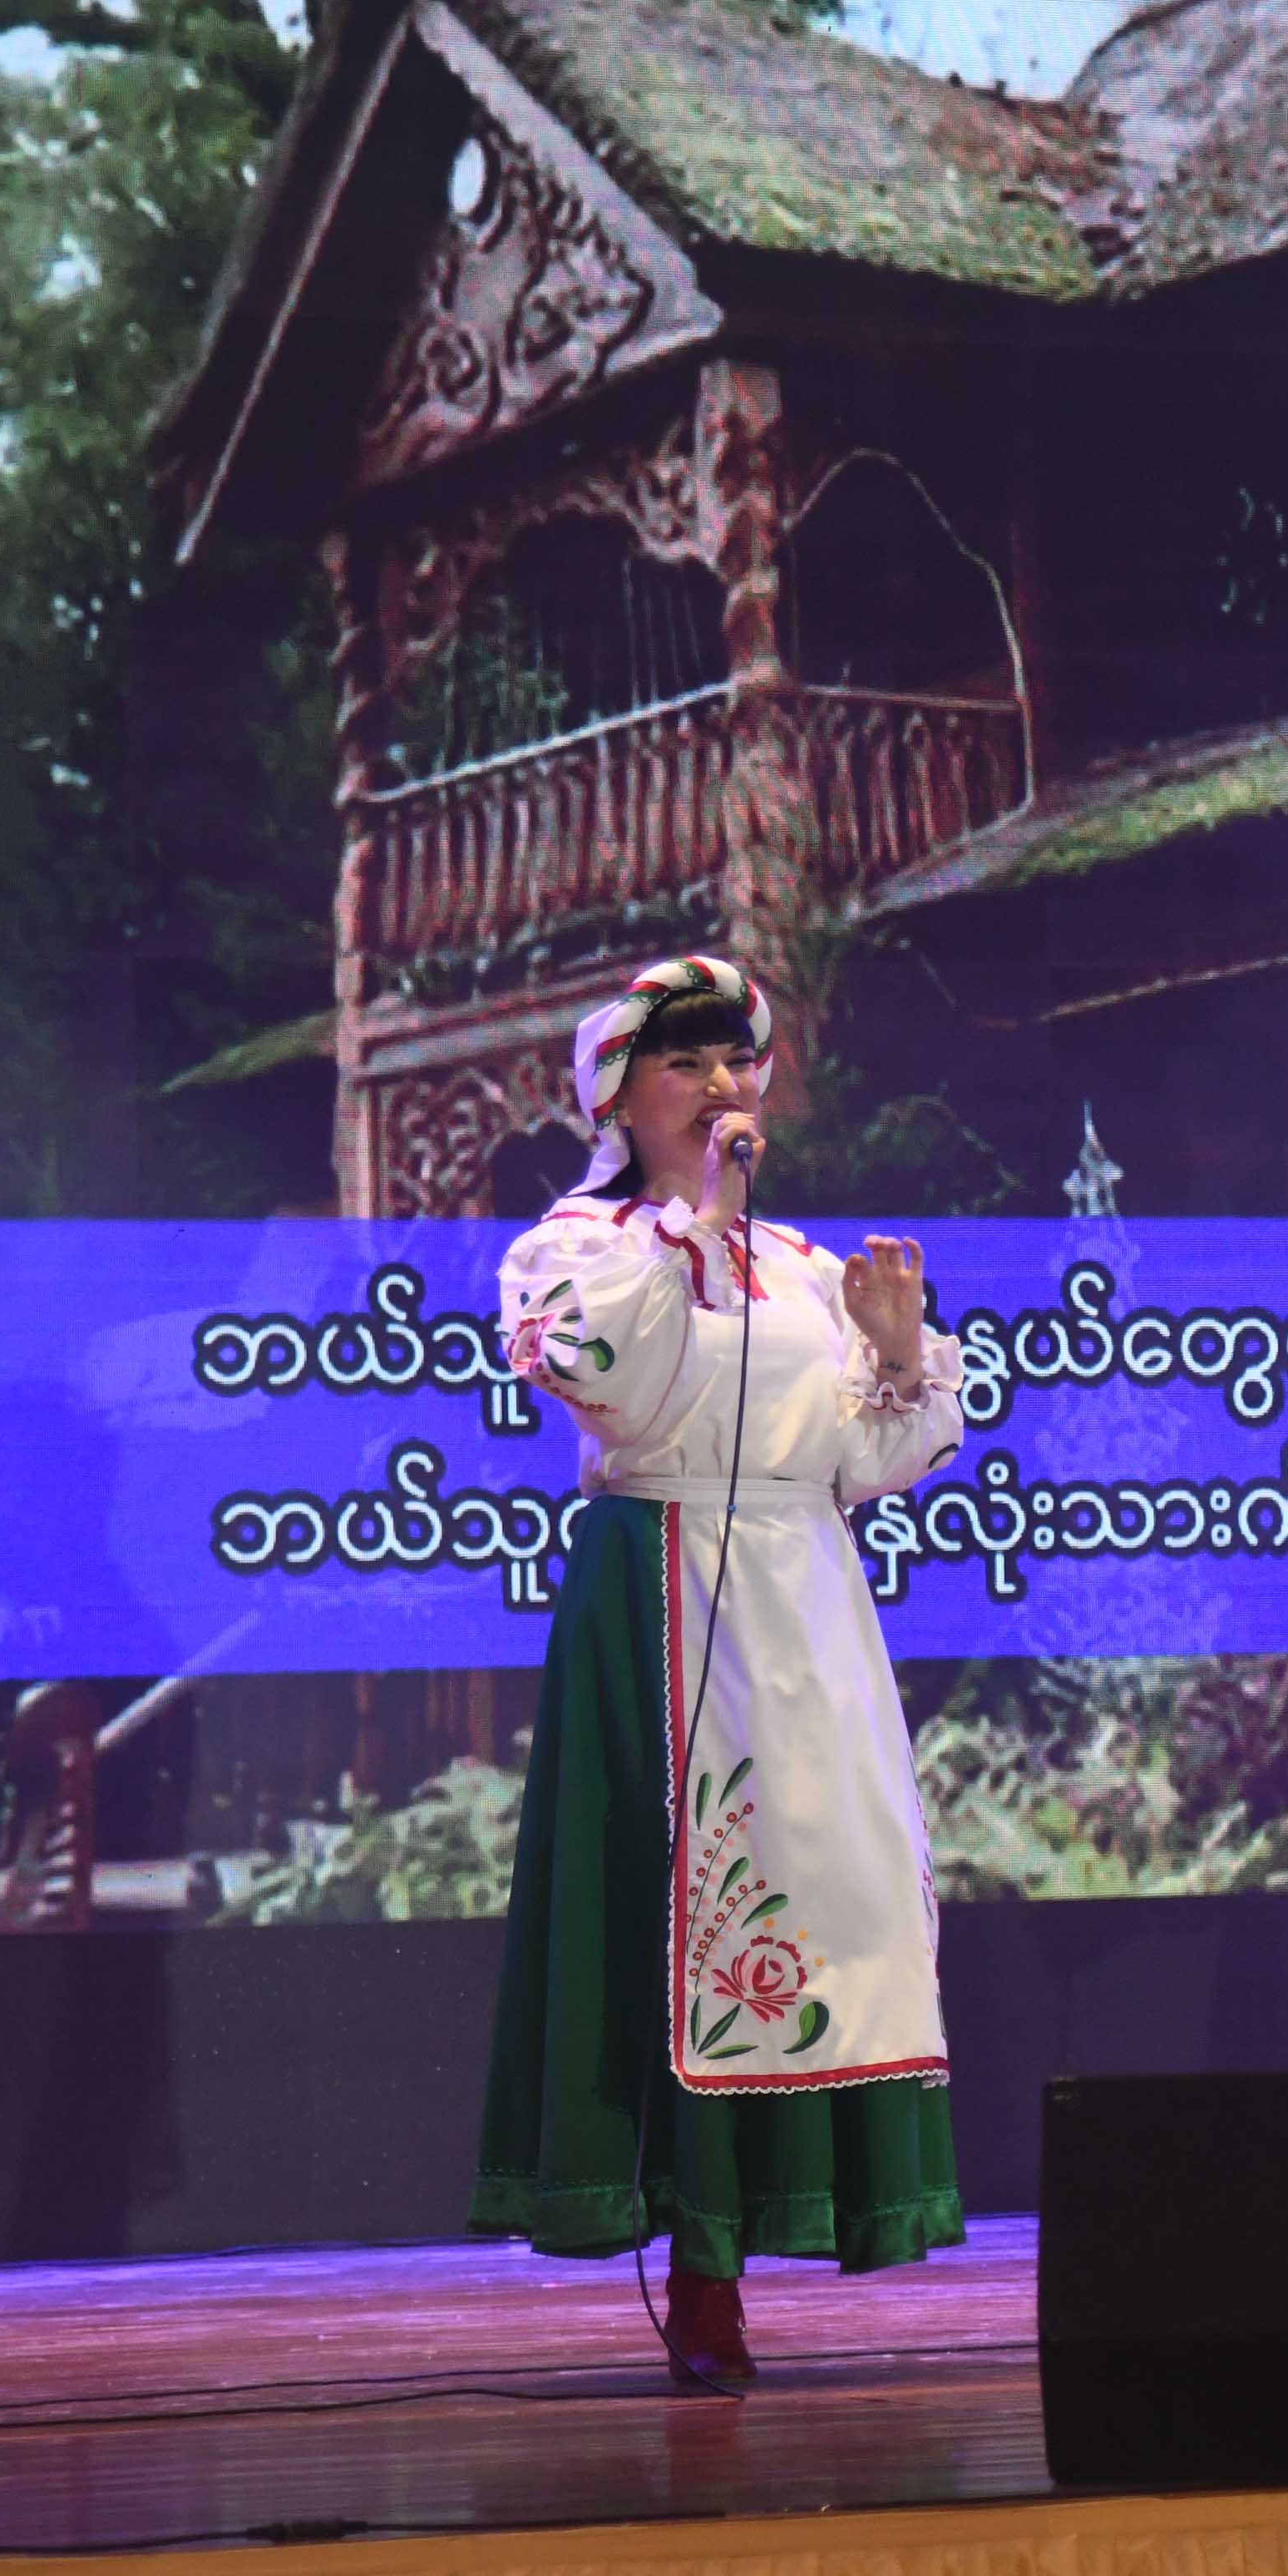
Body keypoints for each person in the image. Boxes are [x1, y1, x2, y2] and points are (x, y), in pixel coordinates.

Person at [474, 953, 970, 2384]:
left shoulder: (804, 1266)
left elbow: (870, 1457)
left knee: (832, 1900)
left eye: (735, 1062)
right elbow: (613, 1381)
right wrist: (693, 1224)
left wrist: (896, 1357)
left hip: (805, 1597)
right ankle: (700, 2259)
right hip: (663, 1583)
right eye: (685, 1064)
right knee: (680, 1903)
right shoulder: (577, 1246)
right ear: (617, 1099)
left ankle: (807, 2200)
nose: (720, 1085)